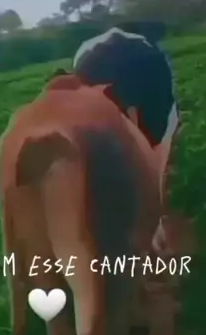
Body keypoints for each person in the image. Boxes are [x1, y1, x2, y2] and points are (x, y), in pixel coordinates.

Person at [72, 26, 180, 251]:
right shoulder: (151, 62)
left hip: (103, 77)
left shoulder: (89, 59)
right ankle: (151, 228)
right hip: (143, 82)